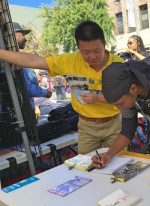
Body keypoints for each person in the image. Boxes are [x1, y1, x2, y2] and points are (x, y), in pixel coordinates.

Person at [0, 21, 123, 154]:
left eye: (97, 51)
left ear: (104, 44)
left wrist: (98, 98)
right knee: (86, 166)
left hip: (114, 124)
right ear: (78, 47)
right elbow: (34, 61)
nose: (92, 57)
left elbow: (125, 98)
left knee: (118, 164)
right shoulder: (69, 61)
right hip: (86, 126)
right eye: (86, 52)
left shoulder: (118, 64)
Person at [13, 22, 52, 117]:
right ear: (14, 36)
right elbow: (27, 88)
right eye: (22, 35)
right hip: (23, 111)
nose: (25, 39)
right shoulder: (16, 61)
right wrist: (46, 92)